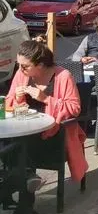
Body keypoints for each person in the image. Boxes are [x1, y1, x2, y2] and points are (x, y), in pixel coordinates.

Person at [6, 40, 87, 187]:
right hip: (24, 129)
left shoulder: (63, 76)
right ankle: (23, 182)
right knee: (7, 145)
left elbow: (74, 108)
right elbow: (9, 103)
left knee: (18, 148)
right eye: (19, 65)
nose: (20, 69)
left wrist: (45, 98)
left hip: (54, 133)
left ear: (41, 65)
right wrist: (18, 98)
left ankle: (23, 186)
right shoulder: (21, 74)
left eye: (25, 66)